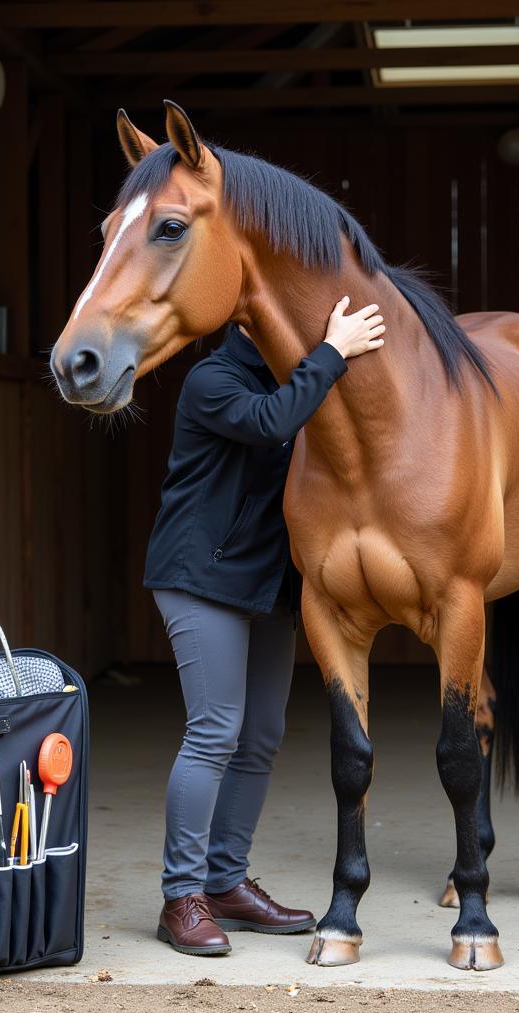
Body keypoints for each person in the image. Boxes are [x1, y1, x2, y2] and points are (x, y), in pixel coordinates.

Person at [143, 297, 385, 956]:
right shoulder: (214, 383)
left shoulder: (300, 383)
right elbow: (273, 419)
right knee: (215, 729)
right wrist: (333, 351)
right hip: (199, 577)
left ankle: (224, 882)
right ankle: (182, 896)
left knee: (261, 736)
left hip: (267, 582)